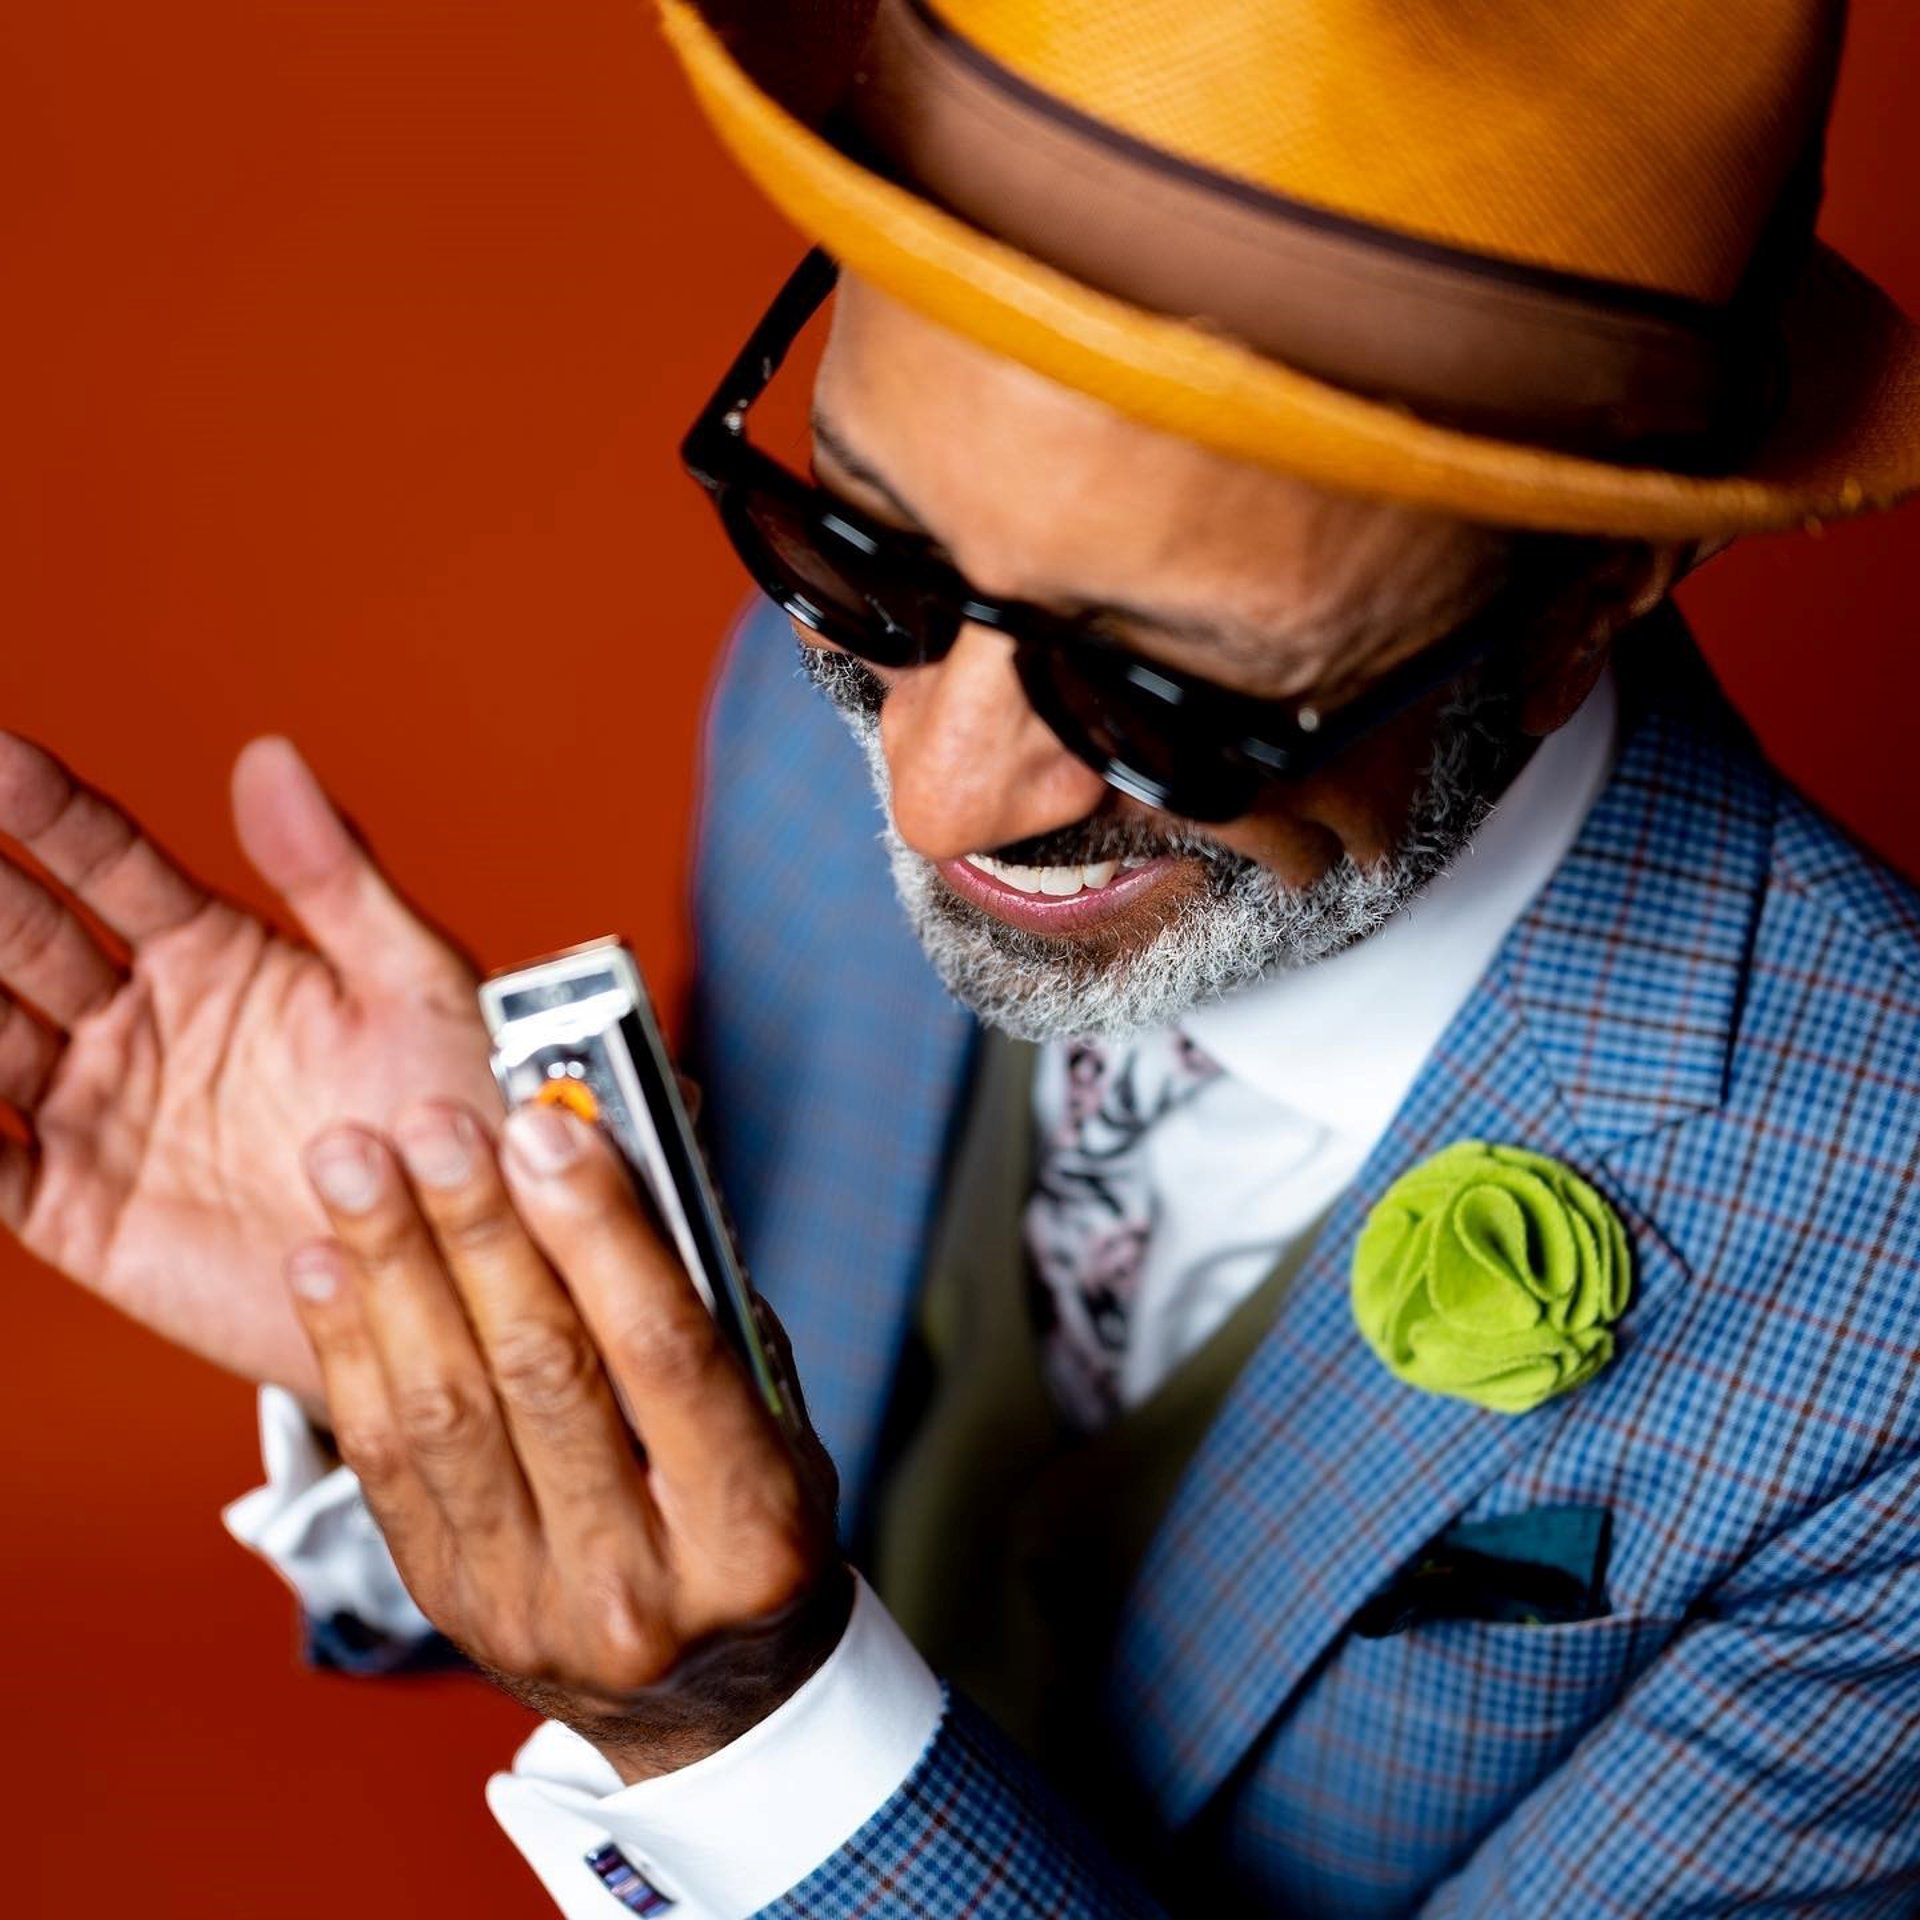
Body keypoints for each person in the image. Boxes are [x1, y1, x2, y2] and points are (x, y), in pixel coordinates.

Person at [5, 0, 1920, 1912]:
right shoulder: (809, 719)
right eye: (863, 550)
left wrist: (746, 1733)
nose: (935, 798)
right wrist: (462, 1317)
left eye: (1162, 691)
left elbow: (730, 1710)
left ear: (1584, 604)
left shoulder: (1888, 1353)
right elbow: (729, 1491)